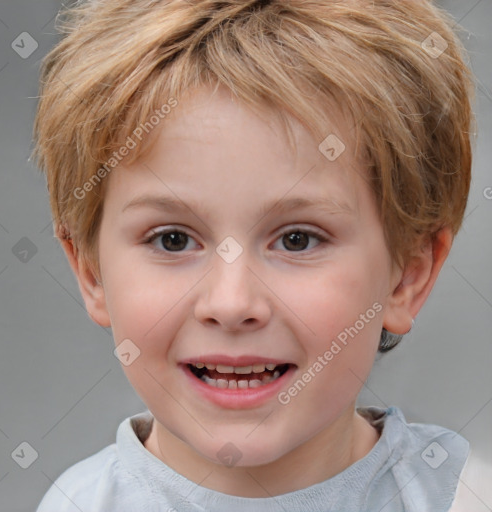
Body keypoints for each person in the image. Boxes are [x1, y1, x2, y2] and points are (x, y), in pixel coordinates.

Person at [31, 1, 477, 510]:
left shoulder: (464, 496)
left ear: (408, 277)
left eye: (297, 240)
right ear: (92, 273)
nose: (231, 302)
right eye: (172, 239)